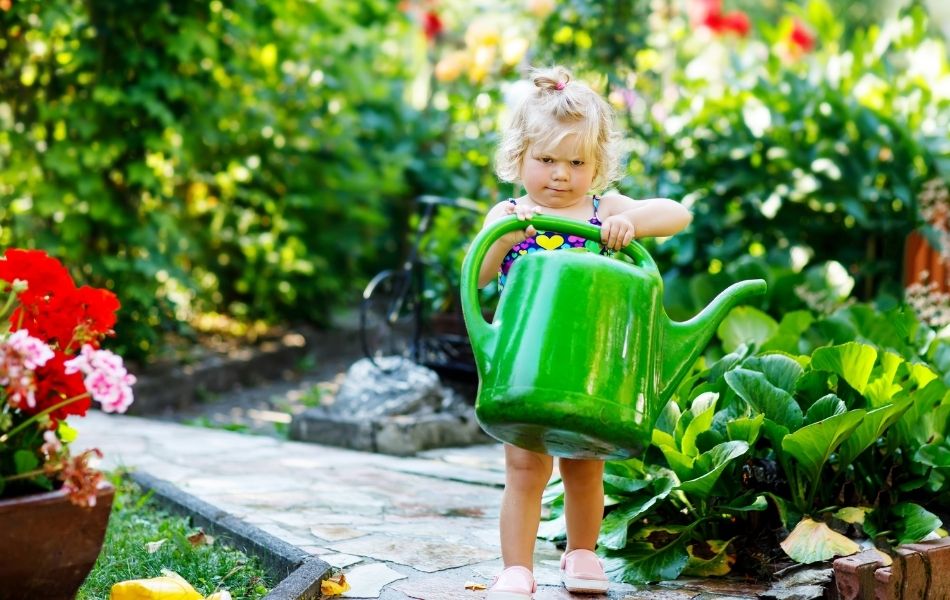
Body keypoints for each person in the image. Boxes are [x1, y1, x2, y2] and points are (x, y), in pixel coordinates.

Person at [474, 66, 692, 599]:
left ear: (597, 166)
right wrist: (503, 240)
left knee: (584, 468)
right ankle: (516, 569)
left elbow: (678, 214)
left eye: (576, 163)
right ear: (519, 157)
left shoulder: (601, 211)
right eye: (546, 160)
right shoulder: (509, 213)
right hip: (526, 367)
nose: (560, 175)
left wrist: (631, 224)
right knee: (525, 468)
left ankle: (582, 554)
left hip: (586, 369)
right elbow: (476, 274)